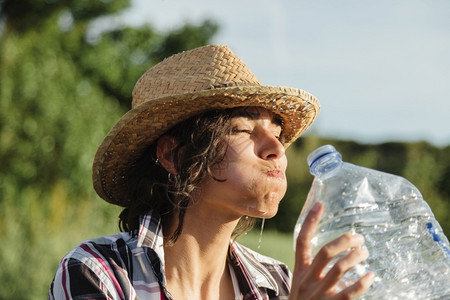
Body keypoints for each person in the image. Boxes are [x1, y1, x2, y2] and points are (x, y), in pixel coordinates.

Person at [49, 45, 375, 299]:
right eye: (244, 129)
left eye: (277, 132)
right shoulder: (99, 272)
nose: (276, 149)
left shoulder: (277, 284)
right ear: (174, 155)